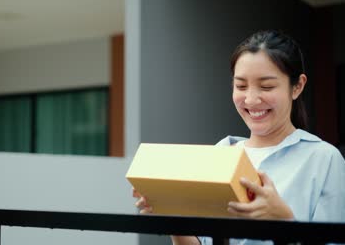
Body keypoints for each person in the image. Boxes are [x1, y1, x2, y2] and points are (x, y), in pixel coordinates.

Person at [133, 30, 345, 245]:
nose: (251, 100)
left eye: (266, 86)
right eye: (241, 86)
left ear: (297, 86)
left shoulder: (324, 159)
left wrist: (284, 222)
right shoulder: (220, 153)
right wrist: (171, 218)